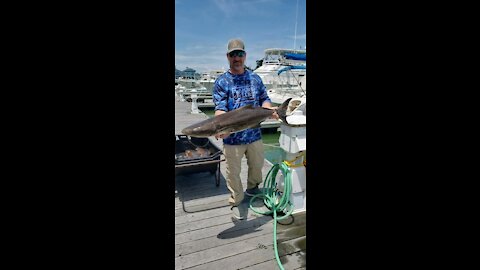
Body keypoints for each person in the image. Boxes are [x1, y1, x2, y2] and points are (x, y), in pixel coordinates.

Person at [212, 38, 278, 220]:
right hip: (232, 137)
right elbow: (220, 108)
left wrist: (270, 109)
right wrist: (220, 125)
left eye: (240, 54)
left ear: (245, 56)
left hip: (254, 134)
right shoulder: (222, 81)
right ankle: (236, 199)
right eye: (233, 54)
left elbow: (264, 98)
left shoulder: (255, 78)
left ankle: (253, 191)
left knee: (257, 167)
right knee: (232, 172)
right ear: (228, 57)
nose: (237, 58)